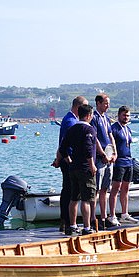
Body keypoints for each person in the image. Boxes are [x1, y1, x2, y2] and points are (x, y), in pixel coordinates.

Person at [51, 96, 88, 235]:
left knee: (68, 190)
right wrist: (64, 157)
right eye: (84, 107)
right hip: (69, 161)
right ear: (78, 107)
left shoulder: (70, 119)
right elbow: (65, 143)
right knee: (69, 191)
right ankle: (67, 222)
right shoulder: (71, 122)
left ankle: (66, 221)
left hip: (67, 158)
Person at [60, 104, 98, 235]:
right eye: (91, 115)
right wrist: (92, 164)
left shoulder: (72, 129)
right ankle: (87, 227)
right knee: (86, 199)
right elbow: (88, 149)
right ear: (88, 116)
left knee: (74, 198)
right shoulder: (89, 130)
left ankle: (72, 225)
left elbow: (62, 147)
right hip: (85, 168)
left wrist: (68, 159)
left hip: (73, 167)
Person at [108, 106, 139, 224]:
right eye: (124, 115)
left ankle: (124, 214)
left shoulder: (128, 129)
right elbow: (109, 146)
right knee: (115, 189)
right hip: (118, 163)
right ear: (119, 115)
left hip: (128, 162)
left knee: (126, 189)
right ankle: (112, 215)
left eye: (128, 115)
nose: (126, 117)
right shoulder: (114, 129)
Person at [91, 93, 117, 229]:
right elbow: (95, 139)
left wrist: (114, 152)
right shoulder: (94, 118)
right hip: (99, 159)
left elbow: (110, 135)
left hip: (109, 157)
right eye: (106, 103)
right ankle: (92, 217)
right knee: (96, 189)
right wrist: (102, 154)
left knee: (105, 189)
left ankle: (103, 216)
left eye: (108, 103)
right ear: (98, 103)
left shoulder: (106, 118)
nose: (108, 106)